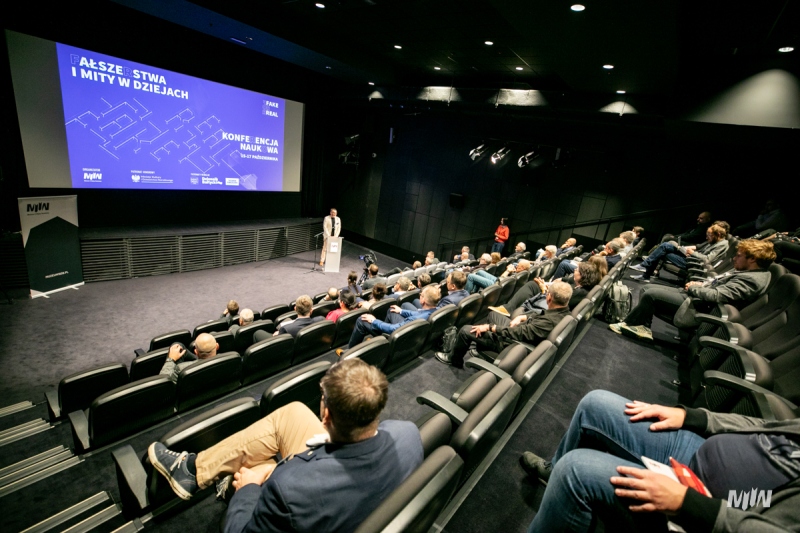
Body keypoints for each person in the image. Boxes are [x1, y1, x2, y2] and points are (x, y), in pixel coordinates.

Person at [148, 358, 424, 533]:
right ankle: (195, 469)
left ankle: (203, 473)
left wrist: (250, 489)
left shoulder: (289, 489)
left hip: (315, 492)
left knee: (260, 465)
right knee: (292, 412)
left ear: (325, 415)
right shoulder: (409, 433)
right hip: (356, 485)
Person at [520, 389, 800, 533]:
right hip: (698, 449)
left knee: (575, 472)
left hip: (706, 506)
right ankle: (552, 477)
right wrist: (693, 416)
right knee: (593, 405)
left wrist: (687, 503)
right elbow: (766, 424)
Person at [611, 240, 775, 341]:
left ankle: (631, 324)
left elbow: (718, 296)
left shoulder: (752, 279)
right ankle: (642, 327)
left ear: (753, 259)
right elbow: (719, 285)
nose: (734, 258)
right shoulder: (750, 272)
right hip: (699, 296)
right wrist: (700, 284)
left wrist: (696, 288)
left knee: (651, 295)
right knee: (647, 287)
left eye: (739, 255)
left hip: (701, 306)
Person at [436, 281, 572, 368]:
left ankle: (454, 360)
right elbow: (542, 314)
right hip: (520, 331)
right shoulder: (563, 312)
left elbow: (518, 333)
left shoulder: (548, 322)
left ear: (549, 297)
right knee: (493, 314)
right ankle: (481, 348)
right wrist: (523, 316)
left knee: (466, 331)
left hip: (512, 344)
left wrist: (490, 328)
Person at [346, 285, 440, 348]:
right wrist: (401, 311)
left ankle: (350, 352)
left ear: (423, 300)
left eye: (421, 295)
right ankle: (380, 340)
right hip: (410, 334)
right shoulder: (435, 310)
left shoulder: (415, 319)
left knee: (361, 319)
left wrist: (374, 321)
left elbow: (393, 329)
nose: (420, 296)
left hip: (399, 338)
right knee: (392, 310)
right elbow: (418, 313)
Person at [630, 224, 728, 283]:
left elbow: (707, 259)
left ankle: (645, 270)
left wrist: (693, 253)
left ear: (718, 234)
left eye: (709, 236)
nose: (707, 238)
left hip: (693, 264)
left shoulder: (722, 245)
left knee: (664, 248)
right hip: (691, 258)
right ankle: (645, 272)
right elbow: (700, 249)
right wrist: (689, 251)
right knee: (665, 246)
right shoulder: (715, 241)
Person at [506, 262, 600, 314]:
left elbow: (557, 303)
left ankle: (509, 309)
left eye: (577, 270)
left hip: (551, 309)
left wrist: (545, 290)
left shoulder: (579, 292)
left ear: (582, 275)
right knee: (533, 285)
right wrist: (548, 287)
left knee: (532, 285)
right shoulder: (578, 284)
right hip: (552, 300)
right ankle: (510, 307)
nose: (574, 269)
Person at [257, 295, 323, 340]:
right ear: (311, 310)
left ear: (295, 309)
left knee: (258, 333)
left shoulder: (286, 329)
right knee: (287, 320)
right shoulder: (321, 319)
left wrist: (279, 334)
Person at [551, 240, 621, 280]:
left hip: (591, 275)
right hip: (591, 269)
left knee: (564, 264)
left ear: (610, 250)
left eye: (606, 248)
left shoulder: (610, 261)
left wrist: (600, 255)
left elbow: (594, 268)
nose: (604, 248)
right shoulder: (617, 257)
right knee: (566, 261)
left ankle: (554, 283)